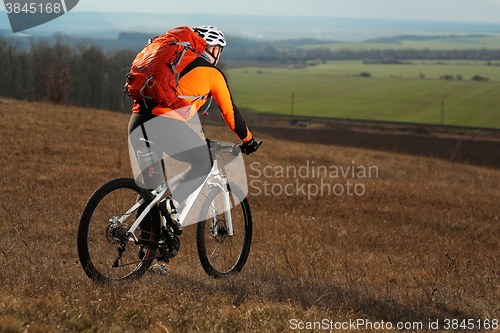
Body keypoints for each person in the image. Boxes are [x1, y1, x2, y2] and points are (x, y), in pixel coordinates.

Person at [128, 25, 261, 236]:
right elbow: (230, 114)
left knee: (150, 189)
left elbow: (179, 104)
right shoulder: (212, 73)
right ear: (215, 50)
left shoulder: (174, 64)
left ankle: (147, 248)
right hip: (164, 126)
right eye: (219, 50)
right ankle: (173, 204)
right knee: (204, 161)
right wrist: (248, 139)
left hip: (138, 122)